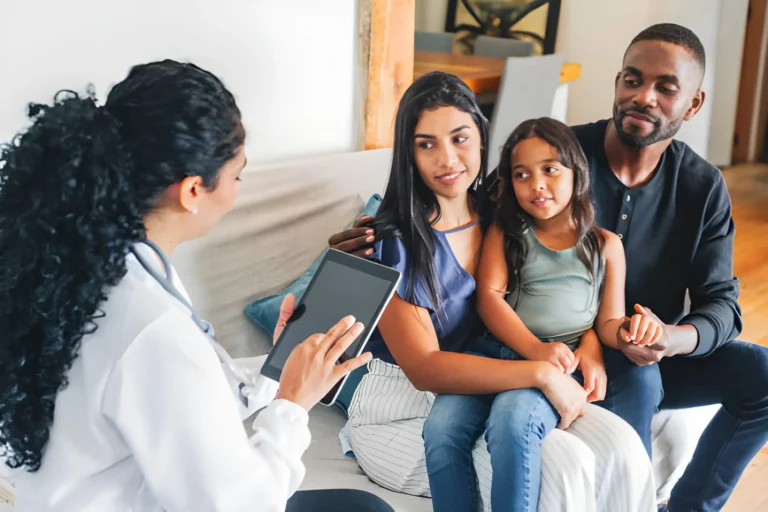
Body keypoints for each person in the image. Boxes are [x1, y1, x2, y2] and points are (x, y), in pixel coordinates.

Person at [332, 22, 768, 512]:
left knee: (758, 373)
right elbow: (458, 220)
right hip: (519, 353)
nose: (643, 96)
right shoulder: (548, 158)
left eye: (665, 87)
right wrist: (374, 240)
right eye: (632, 79)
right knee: (543, 430)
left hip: (616, 349)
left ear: (693, 104)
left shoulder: (701, 187)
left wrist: (663, 336)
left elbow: (722, 308)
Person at [0, 60, 393, 512]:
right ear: (191, 192)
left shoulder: (88, 269)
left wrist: (276, 370)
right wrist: (292, 403)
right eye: (237, 175)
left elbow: (183, 398)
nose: (236, 191)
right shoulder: (152, 329)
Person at [333, 71, 656, 512]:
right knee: (563, 467)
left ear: (482, 140)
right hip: (406, 407)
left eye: (460, 138)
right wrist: (542, 373)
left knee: (620, 446)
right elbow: (425, 369)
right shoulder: (396, 242)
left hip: (499, 376)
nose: (447, 159)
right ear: (408, 153)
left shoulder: (504, 211)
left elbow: (562, 292)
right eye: (426, 144)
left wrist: (591, 341)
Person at [423, 117, 664, 511]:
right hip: (494, 353)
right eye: (522, 174)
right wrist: (534, 349)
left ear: (577, 173)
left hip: (556, 363)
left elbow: (607, 322)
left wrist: (632, 330)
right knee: (440, 429)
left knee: (513, 424)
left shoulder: (606, 246)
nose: (536, 184)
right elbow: (489, 299)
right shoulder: (507, 232)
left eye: (550, 170)